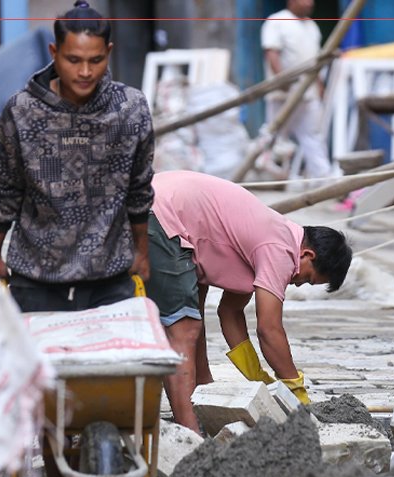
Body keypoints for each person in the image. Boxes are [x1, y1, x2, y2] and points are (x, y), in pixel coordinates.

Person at [0, 2, 153, 477]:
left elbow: (139, 187)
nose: (84, 73)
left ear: (109, 55)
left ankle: (119, 474)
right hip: (38, 272)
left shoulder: (131, 109)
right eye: (74, 60)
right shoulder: (21, 113)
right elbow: (4, 187)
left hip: (108, 271)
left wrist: (142, 248)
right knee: (47, 394)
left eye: (96, 61)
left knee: (112, 389)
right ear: (55, 52)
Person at [145, 170, 353, 431]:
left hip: (164, 202)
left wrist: (257, 377)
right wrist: (295, 389)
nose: (298, 283)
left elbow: (230, 313)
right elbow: (269, 329)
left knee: (193, 309)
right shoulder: (280, 249)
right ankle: (189, 432)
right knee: (183, 327)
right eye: (308, 279)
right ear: (307, 255)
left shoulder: (269, 238)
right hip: (162, 210)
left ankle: (201, 391)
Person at [260, 0, 336, 184]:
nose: (310, 3)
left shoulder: (311, 26)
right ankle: (265, 172)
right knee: (274, 135)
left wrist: (319, 85)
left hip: (308, 93)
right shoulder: (277, 21)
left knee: (312, 135)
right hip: (284, 92)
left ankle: (323, 178)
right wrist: (281, 80)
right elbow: (272, 52)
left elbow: (315, 60)